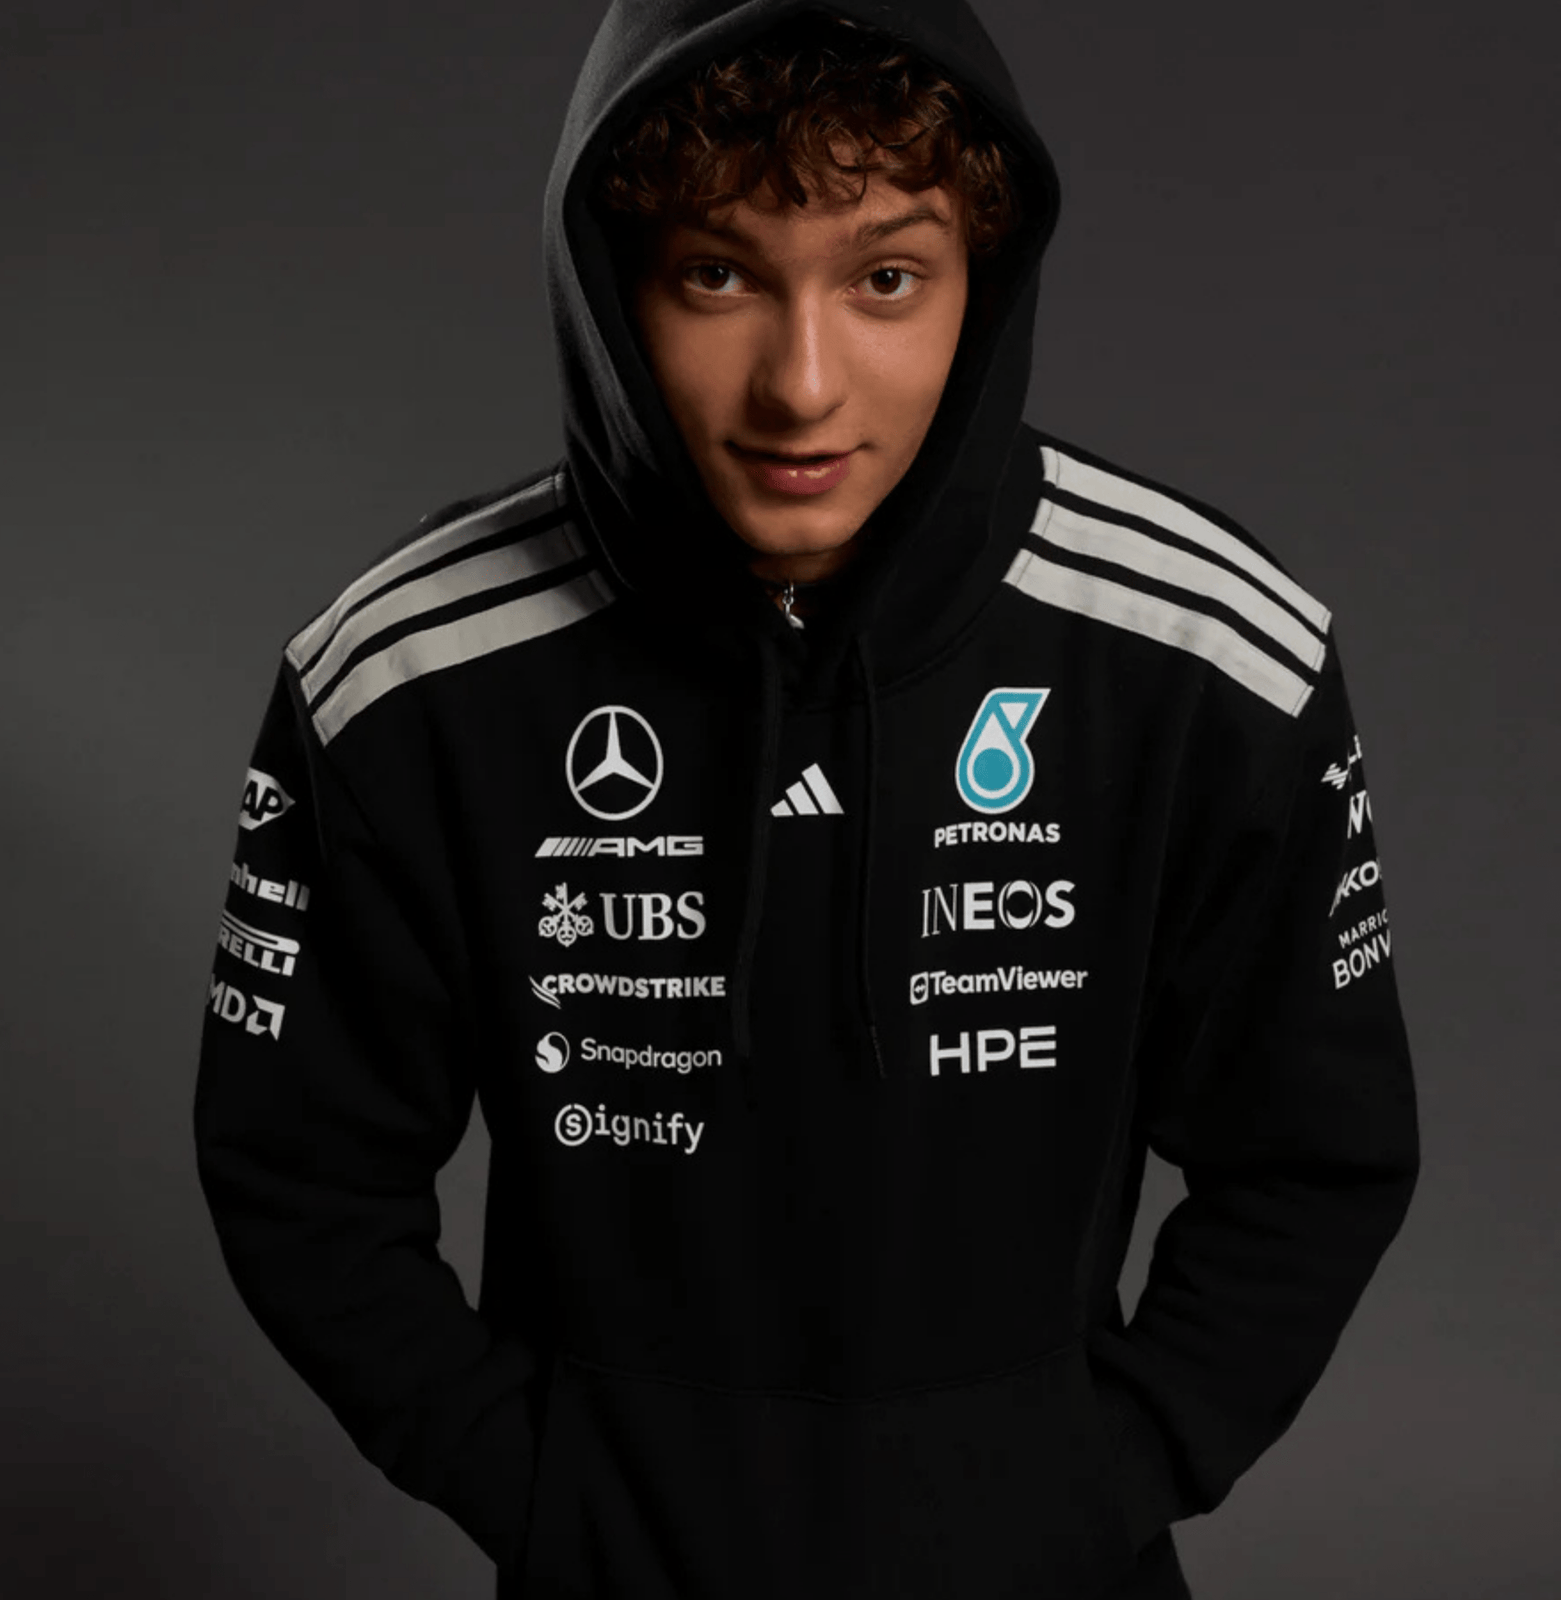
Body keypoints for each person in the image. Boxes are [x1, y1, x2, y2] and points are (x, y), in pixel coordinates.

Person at [193, 3, 1421, 1597]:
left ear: (985, 281)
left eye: (886, 278)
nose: (802, 384)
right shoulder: (407, 679)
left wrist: (1098, 1473)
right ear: (613, 284)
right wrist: (540, 1483)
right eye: (718, 275)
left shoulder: (1210, 656)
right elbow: (297, 1172)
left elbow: (1321, 1155)